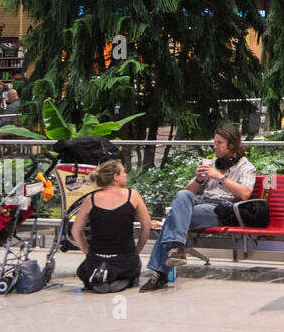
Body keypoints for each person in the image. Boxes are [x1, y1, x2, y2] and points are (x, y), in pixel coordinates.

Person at [139, 125, 257, 291]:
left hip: (223, 209)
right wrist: (198, 179)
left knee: (173, 217)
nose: (214, 146)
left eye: (219, 143)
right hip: (203, 202)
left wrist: (220, 177)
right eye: (214, 142)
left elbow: (245, 194)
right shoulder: (210, 163)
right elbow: (188, 192)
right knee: (182, 195)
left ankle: (160, 272)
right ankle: (177, 247)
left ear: (231, 145)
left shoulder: (246, 167)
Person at [73, 159, 151, 292]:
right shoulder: (132, 195)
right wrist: (137, 250)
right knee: (130, 264)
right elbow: (146, 224)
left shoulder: (90, 199)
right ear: (115, 177)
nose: (126, 174)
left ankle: (101, 275)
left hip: (96, 258)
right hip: (125, 257)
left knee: (93, 266)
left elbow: (75, 231)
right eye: (123, 172)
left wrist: (88, 252)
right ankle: (120, 277)